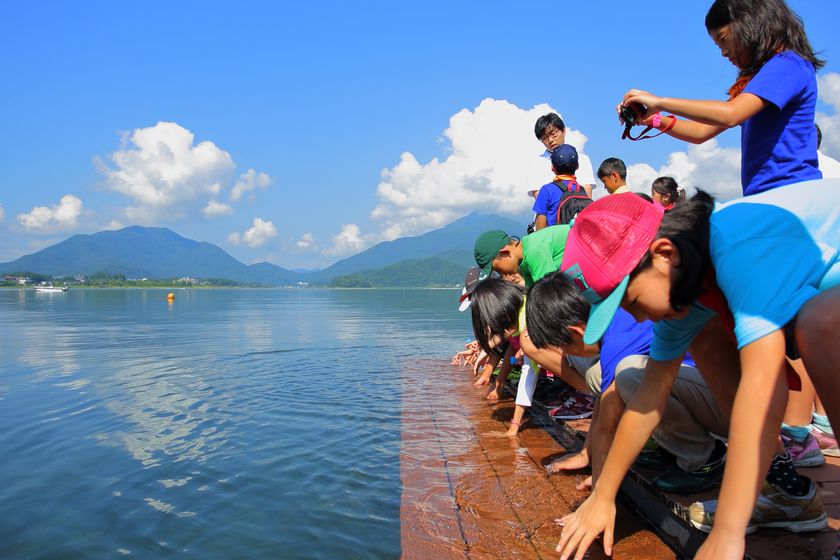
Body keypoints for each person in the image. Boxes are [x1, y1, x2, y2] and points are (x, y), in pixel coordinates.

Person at [553, 183, 840, 560]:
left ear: (664, 253)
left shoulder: (737, 248)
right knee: (704, 338)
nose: (636, 317)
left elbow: (765, 391)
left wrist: (728, 533)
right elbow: (647, 399)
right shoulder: (688, 277)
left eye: (632, 301)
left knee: (820, 324)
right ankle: (783, 490)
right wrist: (603, 495)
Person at [525, 271, 728, 494]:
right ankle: (674, 447)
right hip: (707, 393)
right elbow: (602, 404)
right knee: (600, 375)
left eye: (565, 347)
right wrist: (586, 454)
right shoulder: (613, 316)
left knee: (630, 375)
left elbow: (606, 426)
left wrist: (602, 493)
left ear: (577, 331)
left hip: (732, 407)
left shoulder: (617, 342)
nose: (565, 353)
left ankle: (704, 459)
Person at [620, 0, 824, 196]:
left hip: (791, 192)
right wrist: (653, 119)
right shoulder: (756, 82)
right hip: (767, 196)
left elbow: (731, 114)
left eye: (723, 39)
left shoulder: (788, 65)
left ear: (751, 24)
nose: (724, 53)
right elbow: (700, 132)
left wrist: (660, 102)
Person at [535, 113, 596, 196]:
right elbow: (538, 194)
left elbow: (587, 192)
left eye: (553, 134)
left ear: (563, 131)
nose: (550, 140)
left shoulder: (582, 159)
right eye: (544, 138)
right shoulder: (537, 163)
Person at [531, 145, 590, 230]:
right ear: (577, 166)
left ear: (553, 168)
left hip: (555, 241)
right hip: (575, 241)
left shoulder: (546, 190)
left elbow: (540, 229)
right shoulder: (581, 190)